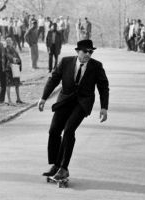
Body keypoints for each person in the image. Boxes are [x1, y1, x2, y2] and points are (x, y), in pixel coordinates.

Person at [38, 39, 109, 181]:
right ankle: (55, 165)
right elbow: (53, 80)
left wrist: (104, 107)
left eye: (91, 52)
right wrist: (44, 97)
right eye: (85, 51)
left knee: (69, 130)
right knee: (54, 131)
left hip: (82, 103)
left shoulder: (96, 66)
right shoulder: (65, 62)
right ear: (78, 51)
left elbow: (103, 87)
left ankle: (63, 168)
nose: (88, 54)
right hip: (65, 100)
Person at [2, 37, 23, 105]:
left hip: (15, 68)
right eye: (7, 41)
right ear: (6, 42)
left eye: (10, 41)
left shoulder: (14, 48)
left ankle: (18, 99)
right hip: (8, 69)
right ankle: (9, 100)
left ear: (12, 41)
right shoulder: (5, 49)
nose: (8, 42)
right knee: (8, 84)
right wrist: (15, 60)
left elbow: (18, 57)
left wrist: (19, 62)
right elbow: (7, 57)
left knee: (17, 84)